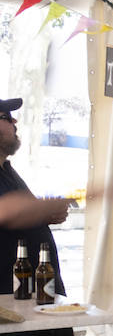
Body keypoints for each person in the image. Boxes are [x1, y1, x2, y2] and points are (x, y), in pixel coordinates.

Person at [0, 97, 69, 296]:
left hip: (32, 291)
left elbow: (21, 214)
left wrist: (45, 215)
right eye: (6, 117)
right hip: (9, 296)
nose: (15, 123)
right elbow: (6, 210)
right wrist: (40, 210)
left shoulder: (8, 170)